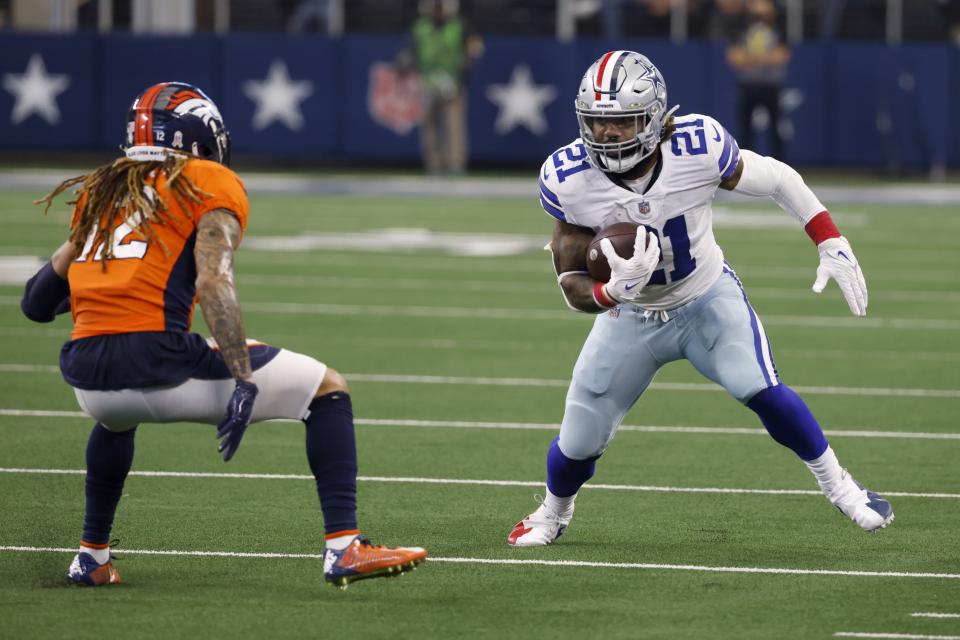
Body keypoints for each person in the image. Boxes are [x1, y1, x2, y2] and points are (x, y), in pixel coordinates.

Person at [20, 81, 427, 587]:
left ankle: (91, 558)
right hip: (157, 363)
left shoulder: (106, 189)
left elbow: (35, 304)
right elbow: (214, 284)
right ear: (199, 136)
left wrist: (97, 284)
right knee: (327, 388)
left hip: (87, 379)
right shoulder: (207, 179)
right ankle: (344, 548)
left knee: (114, 422)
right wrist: (242, 377)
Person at [509, 51, 892, 547]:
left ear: (652, 117)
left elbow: (777, 178)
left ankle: (842, 487)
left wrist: (829, 239)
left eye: (621, 121)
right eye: (598, 123)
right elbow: (569, 281)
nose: (606, 135)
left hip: (706, 296)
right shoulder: (568, 177)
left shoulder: (697, 145)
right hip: (632, 314)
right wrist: (610, 291)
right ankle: (553, 512)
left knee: (762, 389)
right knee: (579, 437)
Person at [404, 0, 483, 175]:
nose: (438, 10)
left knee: (454, 125)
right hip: (428, 83)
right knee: (428, 126)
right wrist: (409, 61)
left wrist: (469, 58)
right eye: (435, 6)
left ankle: (455, 165)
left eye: (440, 6)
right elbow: (411, 49)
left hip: (453, 82)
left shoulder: (459, 24)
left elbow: (475, 45)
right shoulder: (420, 26)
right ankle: (433, 165)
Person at [726, 0, 790, 159]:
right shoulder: (741, 28)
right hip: (747, 86)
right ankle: (745, 165)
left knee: (776, 130)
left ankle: (781, 165)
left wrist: (751, 59)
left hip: (770, 86)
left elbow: (781, 56)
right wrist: (764, 59)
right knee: (745, 130)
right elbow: (734, 57)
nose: (759, 8)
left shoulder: (779, 28)